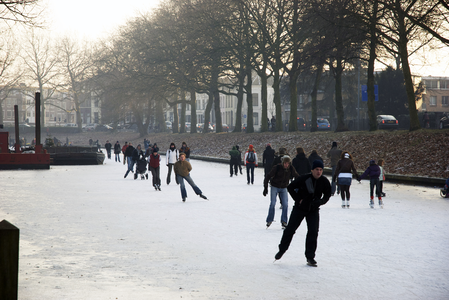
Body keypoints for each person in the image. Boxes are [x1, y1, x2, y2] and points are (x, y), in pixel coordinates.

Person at [274, 160, 331, 267]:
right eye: (317, 170)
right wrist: (298, 199)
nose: (319, 172)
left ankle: (310, 256)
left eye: (320, 170)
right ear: (312, 170)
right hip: (300, 209)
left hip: (313, 210)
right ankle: (282, 250)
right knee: (290, 229)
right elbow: (290, 187)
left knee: (313, 232)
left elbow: (327, 194)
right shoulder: (304, 178)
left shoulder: (324, 181)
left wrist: (320, 202)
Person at [263, 155, 299, 229]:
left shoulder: (291, 168)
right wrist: (265, 188)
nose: (286, 165)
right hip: (274, 186)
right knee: (273, 203)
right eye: (285, 163)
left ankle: (284, 221)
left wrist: (300, 184)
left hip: (284, 187)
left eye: (288, 163)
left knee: (285, 204)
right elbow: (268, 176)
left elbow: (297, 176)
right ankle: (269, 220)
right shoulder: (277, 167)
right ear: (282, 163)